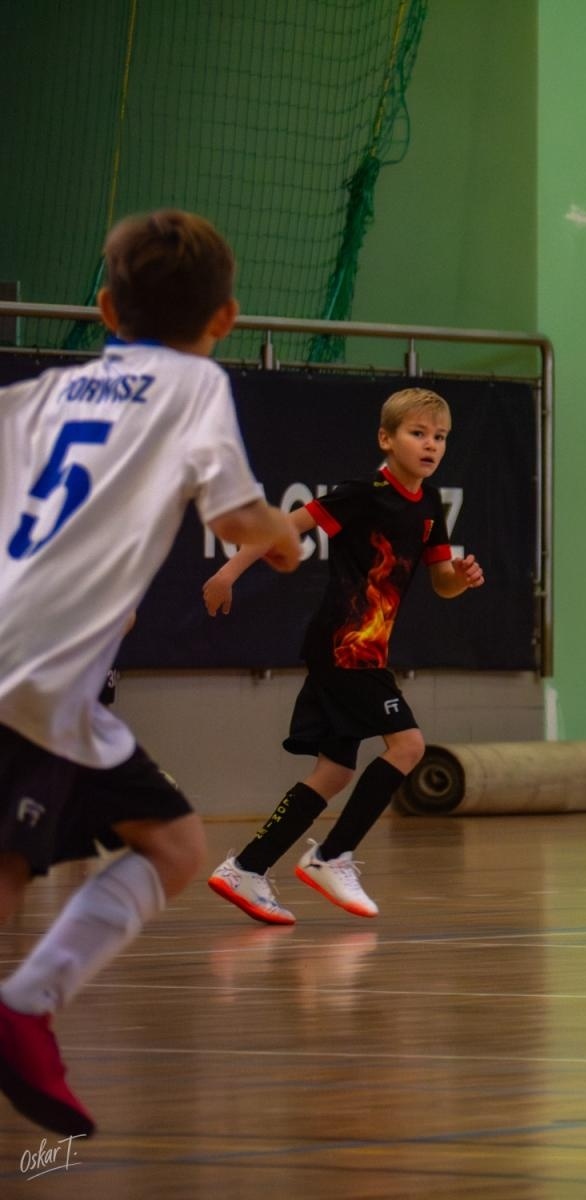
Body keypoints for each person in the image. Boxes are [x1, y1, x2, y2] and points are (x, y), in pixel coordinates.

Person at [0, 209, 302, 1137]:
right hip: (36, 676)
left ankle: (23, 1011)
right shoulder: (193, 383)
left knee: (114, 849)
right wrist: (284, 540)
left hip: (28, 654)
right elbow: (244, 515)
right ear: (227, 317)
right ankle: (22, 1012)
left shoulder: (43, 395)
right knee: (112, 853)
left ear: (103, 308)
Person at [203, 387, 484, 925]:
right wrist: (227, 572)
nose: (431, 445)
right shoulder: (364, 495)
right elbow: (285, 529)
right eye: (418, 433)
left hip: (365, 651)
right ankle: (332, 855)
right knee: (408, 746)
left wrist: (462, 579)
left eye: (440, 437)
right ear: (387, 439)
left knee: (333, 771)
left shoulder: (430, 506)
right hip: (345, 646)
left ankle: (246, 867)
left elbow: (442, 582)